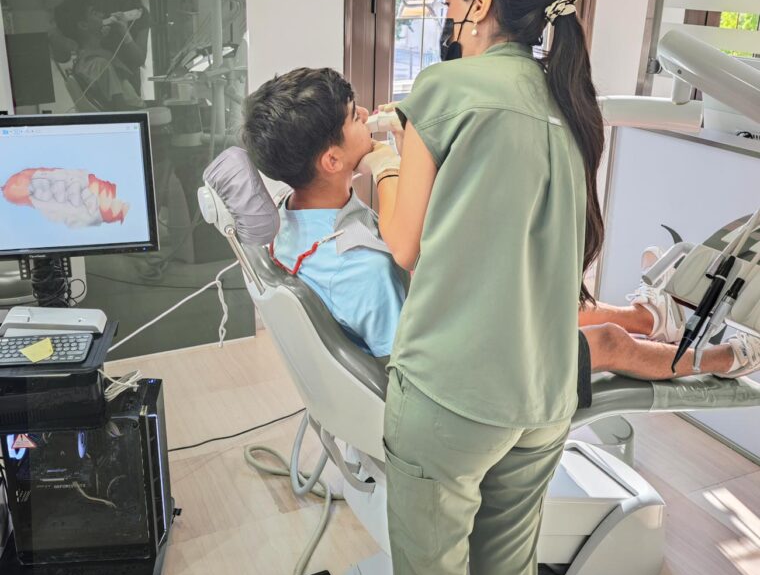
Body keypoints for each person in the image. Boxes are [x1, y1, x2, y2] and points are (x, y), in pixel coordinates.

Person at [243, 66, 760, 382]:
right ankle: (724, 360)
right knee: (604, 341)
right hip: (445, 374)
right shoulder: (359, 270)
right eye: (355, 117)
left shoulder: (297, 220)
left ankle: (651, 319)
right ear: (332, 160)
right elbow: (405, 363)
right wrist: (387, 164)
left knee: (532, 298)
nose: (365, 118)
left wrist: (399, 152)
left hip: (431, 321)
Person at [53, 0, 145, 110]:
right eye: (94, 13)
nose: (101, 15)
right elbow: (120, 109)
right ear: (83, 25)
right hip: (136, 112)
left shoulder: (83, 62)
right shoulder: (100, 64)